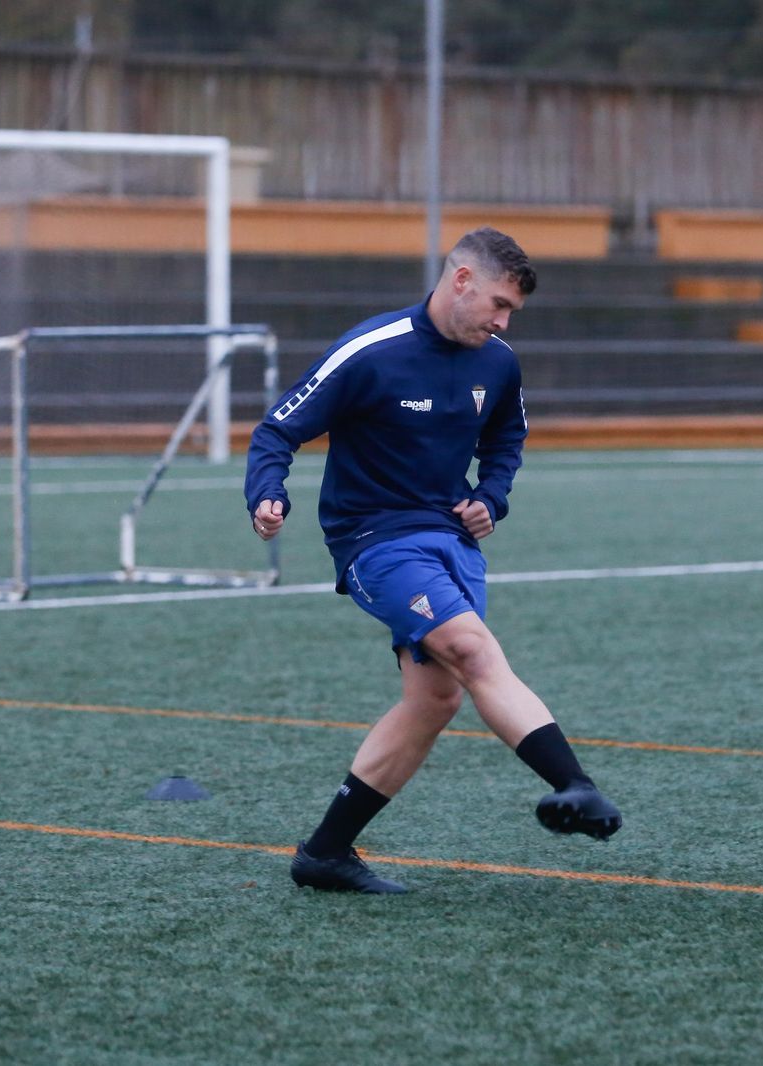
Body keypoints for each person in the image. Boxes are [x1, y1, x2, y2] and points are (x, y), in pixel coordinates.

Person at [244, 226, 622, 894]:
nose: (504, 322)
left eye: (513, 313)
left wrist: (491, 499)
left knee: (435, 697)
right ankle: (575, 783)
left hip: (452, 541)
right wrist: (267, 492)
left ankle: (325, 853)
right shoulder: (371, 351)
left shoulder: (498, 362)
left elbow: (507, 441)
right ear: (461, 280)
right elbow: (279, 428)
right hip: (375, 541)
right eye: (498, 305)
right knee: (473, 649)